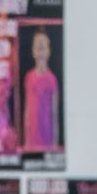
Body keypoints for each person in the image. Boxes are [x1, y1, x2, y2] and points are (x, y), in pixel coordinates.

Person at [21, 25, 61, 154]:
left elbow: (55, 114)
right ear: (33, 51)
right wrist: (26, 140)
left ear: (49, 51)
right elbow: (27, 111)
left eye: (43, 44)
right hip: (31, 141)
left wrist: (54, 144)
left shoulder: (52, 80)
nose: (40, 47)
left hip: (47, 140)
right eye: (37, 44)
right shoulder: (28, 77)